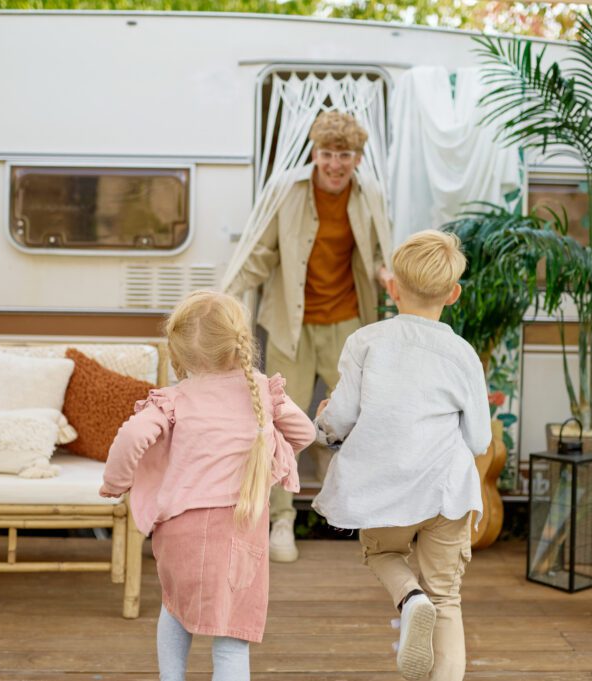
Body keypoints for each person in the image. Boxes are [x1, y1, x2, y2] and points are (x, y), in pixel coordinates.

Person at [99, 290, 315, 681]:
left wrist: (115, 483)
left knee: (175, 606)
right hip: (242, 529)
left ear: (178, 356)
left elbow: (132, 439)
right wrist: (271, 446)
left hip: (181, 529)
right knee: (231, 633)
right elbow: (306, 432)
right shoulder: (263, 393)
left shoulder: (174, 399)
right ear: (240, 344)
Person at [312, 230, 492, 681]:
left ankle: (410, 599)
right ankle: (427, 606)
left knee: (382, 555)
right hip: (445, 492)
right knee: (447, 600)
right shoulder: (462, 354)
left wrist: (324, 425)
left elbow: (343, 417)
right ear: (453, 294)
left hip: (384, 487)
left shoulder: (366, 342)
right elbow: (478, 440)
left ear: (392, 287)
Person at [224, 110, 393, 563]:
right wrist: (225, 295)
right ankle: (282, 520)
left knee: (353, 422)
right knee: (281, 423)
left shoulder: (369, 194)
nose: (335, 164)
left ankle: (352, 513)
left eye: (345, 155)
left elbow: (379, 254)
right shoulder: (290, 191)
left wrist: (389, 277)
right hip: (289, 326)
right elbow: (261, 253)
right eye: (327, 154)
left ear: (357, 158)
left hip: (348, 324)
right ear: (314, 154)